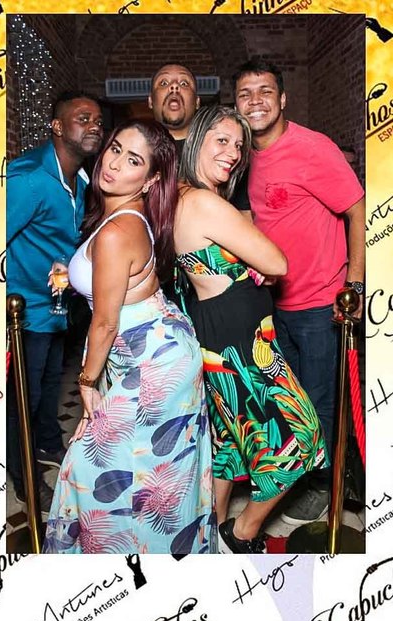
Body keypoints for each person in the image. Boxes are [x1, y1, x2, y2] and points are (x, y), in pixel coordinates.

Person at [43, 120, 214, 554]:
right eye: (115, 149)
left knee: (100, 469)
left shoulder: (118, 230)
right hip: (153, 346)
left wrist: (85, 381)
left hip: (153, 361)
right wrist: (73, 272)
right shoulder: (122, 215)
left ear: (152, 178)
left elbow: (105, 322)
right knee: (147, 471)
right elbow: (115, 284)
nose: (114, 164)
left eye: (133, 160)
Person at [172, 105, 326, 553]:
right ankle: (240, 533)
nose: (233, 152)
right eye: (221, 140)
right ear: (197, 140)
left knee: (231, 442)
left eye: (238, 145)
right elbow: (277, 261)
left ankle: (210, 533)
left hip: (225, 338)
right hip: (241, 345)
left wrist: (248, 256)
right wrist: (257, 256)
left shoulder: (186, 197)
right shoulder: (204, 202)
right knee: (301, 438)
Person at [234, 59, 365, 525]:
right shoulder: (245, 155)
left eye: (265, 91)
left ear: (283, 99)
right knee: (289, 402)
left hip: (320, 304)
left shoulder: (312, 148)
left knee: (319, 402)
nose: (255, 101)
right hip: (276, 306)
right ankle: (296, 474)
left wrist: (354, 285)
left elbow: (356, 209)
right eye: (245, 93)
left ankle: (321, 487)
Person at [6, 90, 103, 508]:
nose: (94, 126)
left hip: (58, 306)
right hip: (25, 311)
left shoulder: (81, 179)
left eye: (98, 120)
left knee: (48, 385)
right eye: (83, 119)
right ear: (58, 127)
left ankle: (47, 442)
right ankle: (23, 474)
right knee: (22, 398)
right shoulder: (28, 178)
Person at [149, 63, 250, 219]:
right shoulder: (135, 152)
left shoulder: (222, 157)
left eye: (184, 83)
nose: (174, 87)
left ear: (197, 102)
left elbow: (244, 217)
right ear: (150, 101)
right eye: (164, 83)